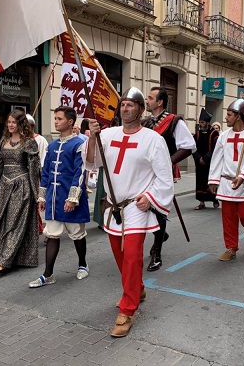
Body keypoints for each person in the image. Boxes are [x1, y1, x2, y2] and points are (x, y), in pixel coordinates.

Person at [84, 87, 174, 338]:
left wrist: (151, 197)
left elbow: (164, 177)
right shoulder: (108, 134)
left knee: (133, 256)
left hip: (136, 207)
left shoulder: (152, 139)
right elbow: (92, 163)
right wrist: (92, 138)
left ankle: (128, 309)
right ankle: (137, 288)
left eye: (131, 105)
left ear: (141, 109)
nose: (125, 108)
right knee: (120, 257)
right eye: (122, 105)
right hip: (113, 207)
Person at [29, 106, 90, 288]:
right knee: (52, 235)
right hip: (53, 201)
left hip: (71, 199)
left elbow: (80, 173)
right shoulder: (52, 145)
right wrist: (42, 197)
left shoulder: (79, 144)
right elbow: (45, 173)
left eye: (59, 118)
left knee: (77, 235)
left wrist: (72, 198)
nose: (56, 121)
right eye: (55, 118)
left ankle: (82, 264)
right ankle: (48, 274)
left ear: (70, 122)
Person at [143, 86, 196, 271]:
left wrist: (168, 162)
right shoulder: (146, 123)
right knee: (145, 208)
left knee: (159, 210)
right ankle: (161, 233)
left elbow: (189, 146)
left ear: (160, 102)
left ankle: (157, 254)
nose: (146, 100)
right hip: (147, 173)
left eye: (150, 98)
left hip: (164, 173)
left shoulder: (174, 122)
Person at [0, 110, 40, 274]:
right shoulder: (3, 142)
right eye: (8, 122)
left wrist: (36, 193)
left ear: (21, 124)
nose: (10, 125)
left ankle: (4, 261)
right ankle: (5, 256)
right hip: (3, 186)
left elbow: (34, 170)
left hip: (21, 187)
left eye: (13, 122)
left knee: (15, 223)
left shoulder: (29, 143)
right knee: (1, 222)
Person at [208, 99, 244, 261]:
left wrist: (243, 176)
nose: (226, 118)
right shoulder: (224, 136)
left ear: (238, 116)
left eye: (229, 115)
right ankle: (231, 247)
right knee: (228, 218)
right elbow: (217, 159)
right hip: (227, 183)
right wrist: (213, 180)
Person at [192, 108, 219, 210]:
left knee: (210, 181)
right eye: (199, 122)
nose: (200, 124)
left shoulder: (214, 134)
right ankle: (201, 202)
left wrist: (206, 158)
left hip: (210, 162)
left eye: (202, 122)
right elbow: (192, 148)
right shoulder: (197, 134)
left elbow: (215, 149)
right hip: (199, 163)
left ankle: (214, 199)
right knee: (200, 182)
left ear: (207, 123)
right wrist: (198, 158)